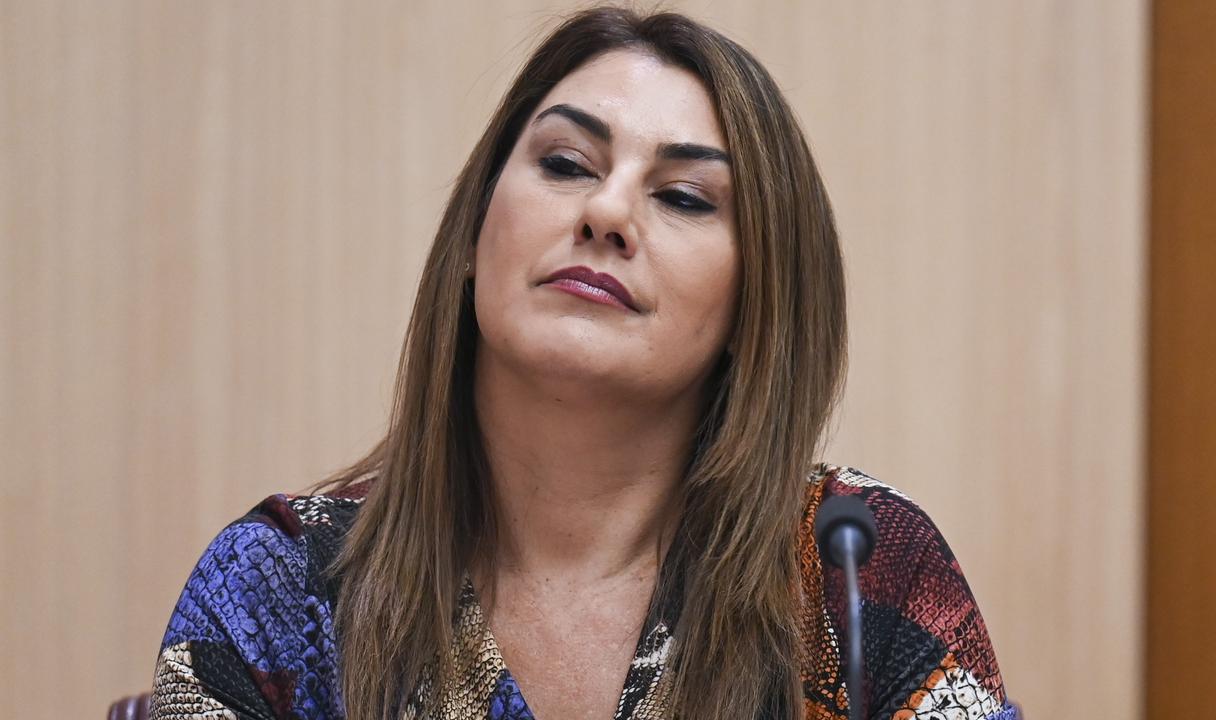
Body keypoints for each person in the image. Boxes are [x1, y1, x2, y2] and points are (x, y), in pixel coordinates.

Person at [148, 6, 1019, 720]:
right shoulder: (277, 585)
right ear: (471, 237)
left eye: (682, 196)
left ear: (759, 308)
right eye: (566, 164)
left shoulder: (856, 572)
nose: (607, 210)